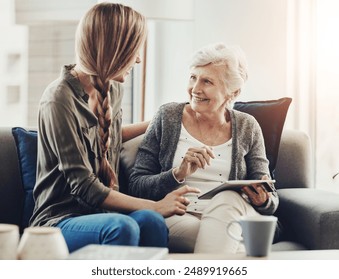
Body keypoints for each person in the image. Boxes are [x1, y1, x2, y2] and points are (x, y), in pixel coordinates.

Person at [29, 2, 198, 253]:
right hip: (60, 220)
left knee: (150, 223)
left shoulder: (113, 87)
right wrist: (154, 205)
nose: (139, 59)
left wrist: (159, 121)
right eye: (134, 50)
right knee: (123, 227)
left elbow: (109, 137)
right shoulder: (58, 99)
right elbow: (84, 186)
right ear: (112, 49)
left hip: (106, 213)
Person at [129, 43, 279, 254]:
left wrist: (263, 199)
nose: (195, 89)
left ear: (232, 91)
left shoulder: (248, 126)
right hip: (181, 216)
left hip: (234, 212)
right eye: (193, 77)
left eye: (207, 81)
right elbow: (136, 185)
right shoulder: (167, 116)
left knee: (227, 200)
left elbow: (270, 196)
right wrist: (177, 173)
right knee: (231, 236)